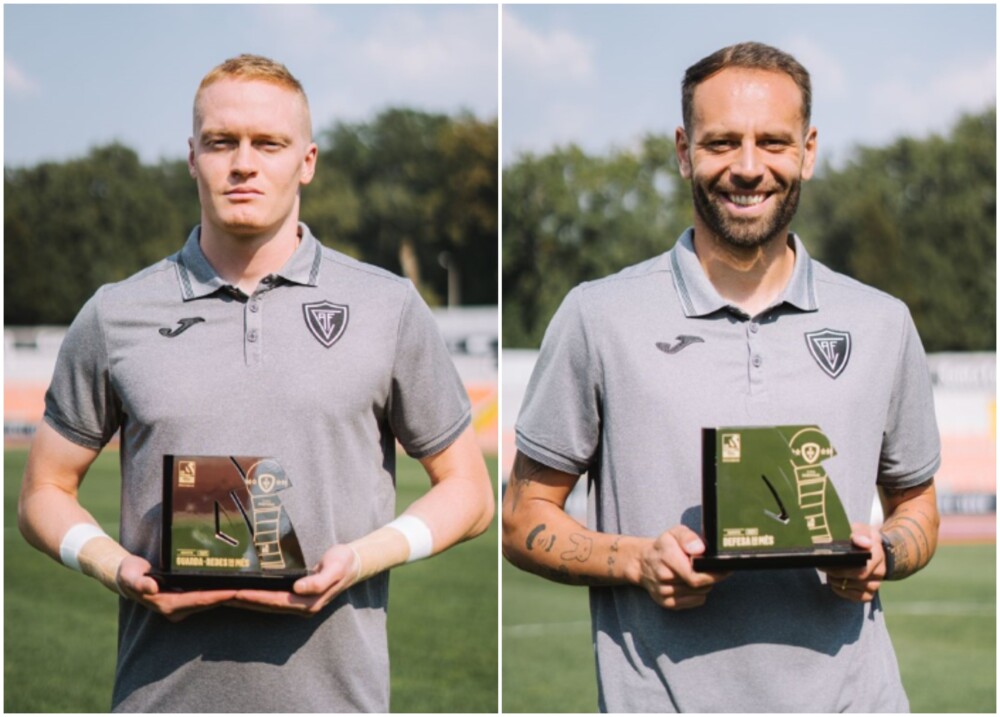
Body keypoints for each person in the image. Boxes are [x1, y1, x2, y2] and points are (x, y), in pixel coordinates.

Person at [18, 54, 494, 712]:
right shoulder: (115, 312)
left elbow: (470, 492)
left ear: (307, 160)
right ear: (192, 156)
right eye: (222, 142)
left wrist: (359, 558)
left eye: (268, 143)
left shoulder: (388, 306)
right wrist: (113, 565)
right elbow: (43, 490)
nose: (244, 162)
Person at [502, 41, 940, 712]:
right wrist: (637, 559)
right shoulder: (599, 315)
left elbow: (918, 509)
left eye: (772, 142)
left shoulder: (882, 321)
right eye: (720, 142)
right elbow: (521, 518)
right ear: (683, 151)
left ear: (808, 151)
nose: (746, 167)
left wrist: (885, 551)